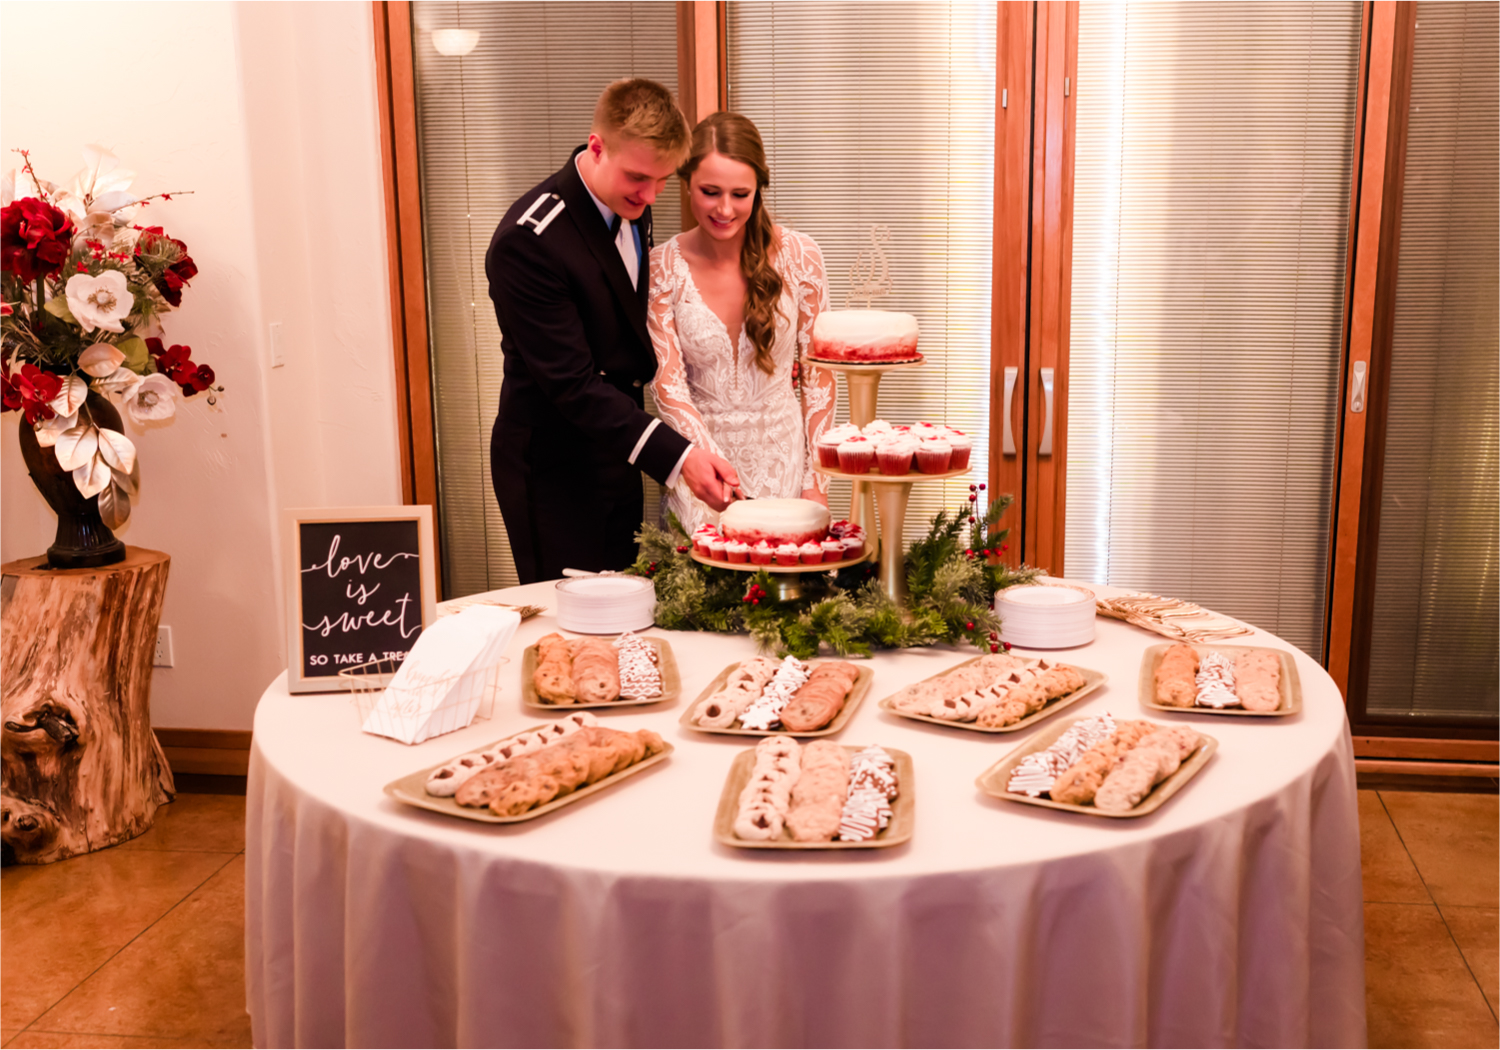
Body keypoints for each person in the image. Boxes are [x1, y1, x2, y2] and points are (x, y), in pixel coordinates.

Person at [486, 80, 740, 583]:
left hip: (618, 448)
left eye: (663, 181)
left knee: (624, 609)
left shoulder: (630, 204)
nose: (649, 196)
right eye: (638, 178)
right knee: (571, 622)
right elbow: (573, 385)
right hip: (553, 466)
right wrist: (681, 456)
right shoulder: (529, 240)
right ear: (597, 147)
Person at [647, 112, 837, 536]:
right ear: (686, 182)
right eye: (710, 192)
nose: (725, 209)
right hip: (700, 471)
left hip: (785, 466)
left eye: (740, 193)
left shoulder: (801, 257)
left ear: (759, 190)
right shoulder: (661, 267)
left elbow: (819, 377)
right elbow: (668, 386)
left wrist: (816, 483)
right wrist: (709, 468)